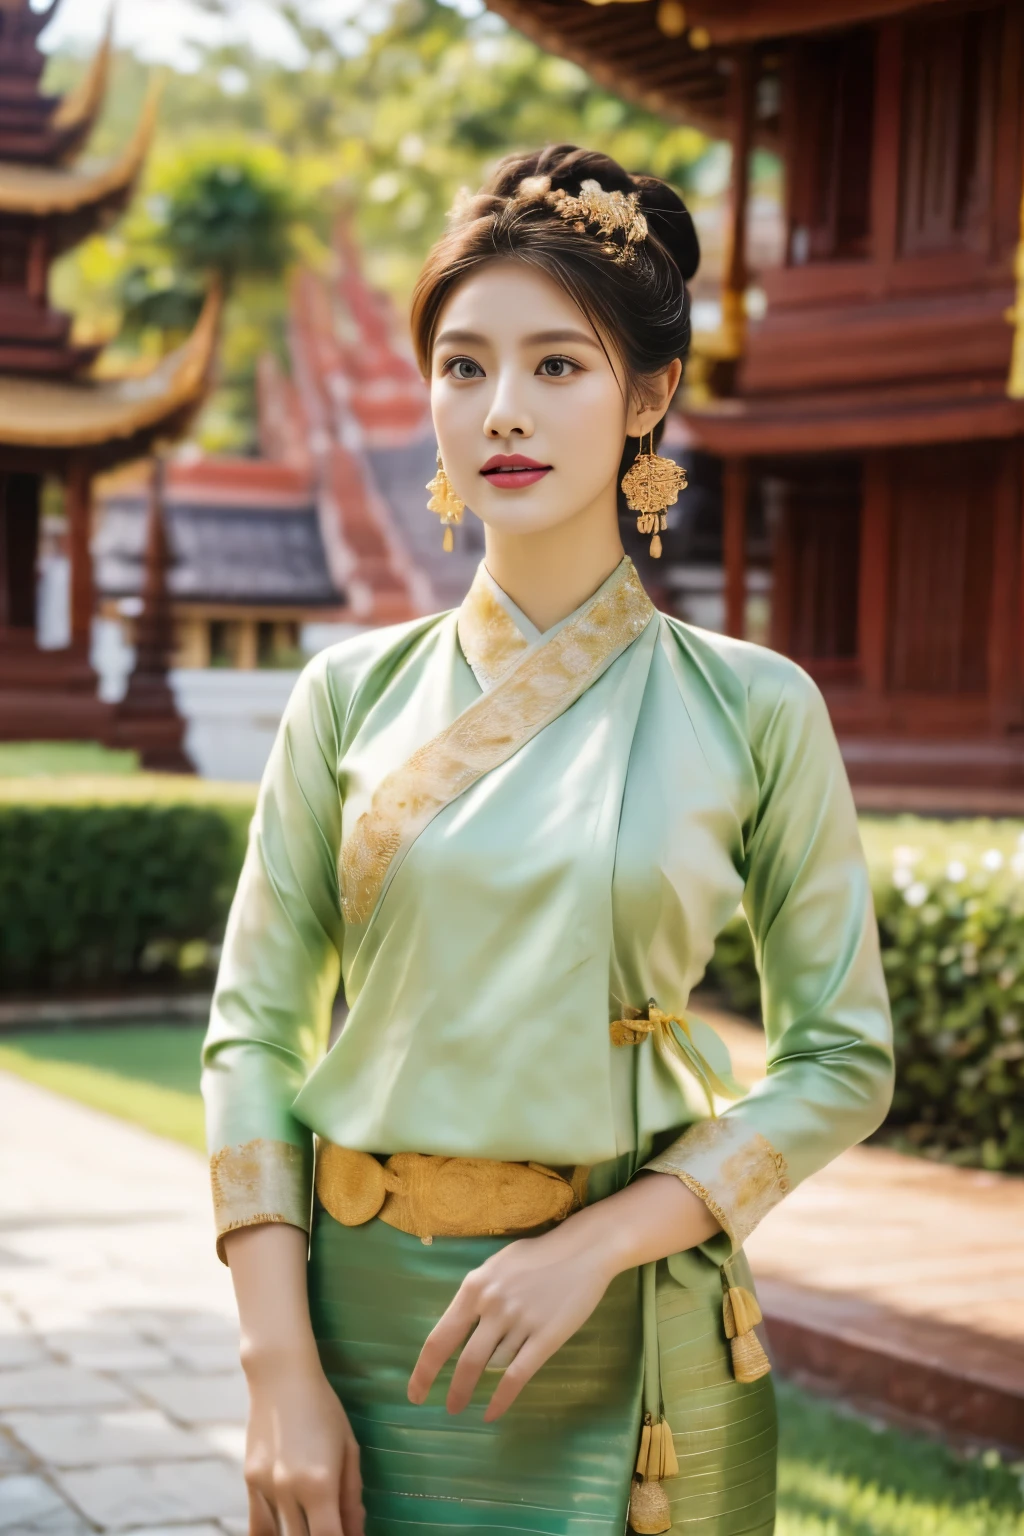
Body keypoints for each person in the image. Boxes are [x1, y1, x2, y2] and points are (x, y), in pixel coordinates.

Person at [201, 143, 894, 1536]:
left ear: (649, 395)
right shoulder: (347, 696)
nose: (501, 410)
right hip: (362, 1335)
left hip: (633, 1332)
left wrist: (602, 1241)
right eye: (463, 365)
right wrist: (278, 1362)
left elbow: (843, 1060)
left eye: (557, 367)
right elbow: (253, 1035)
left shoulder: (753, 707)